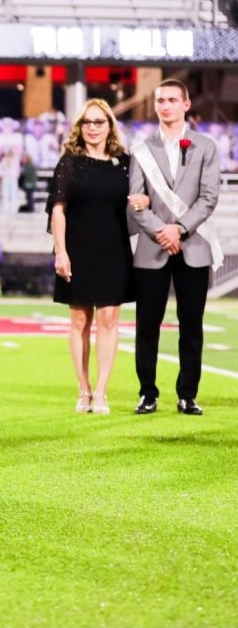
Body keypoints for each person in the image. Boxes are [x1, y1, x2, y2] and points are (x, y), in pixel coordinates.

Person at [129, 79, 222, 416]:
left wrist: (179, 229)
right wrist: (162, 232)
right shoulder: (141, 150)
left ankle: (188, 394)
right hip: (152, 249)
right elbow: (135, 202)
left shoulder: (206, 147)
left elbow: (209, 197)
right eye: (160, 100)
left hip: (193, 246)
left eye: (172, 100)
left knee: (191, 324)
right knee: (147, 324)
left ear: (186, 104)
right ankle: (147, 393)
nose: (165, 106)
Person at [48, 100, 144, 415]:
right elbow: (58, 210)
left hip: (114, 249)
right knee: (79, 319)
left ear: (109, 126)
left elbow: (144, 197)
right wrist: (61, 252)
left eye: (99, 122)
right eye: (87, 122)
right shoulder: (69, 163)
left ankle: (102, 391)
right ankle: (83, 390)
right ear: (80, 127)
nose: (92, 127)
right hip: (77, 249)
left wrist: (144, 200)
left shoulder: (126, 163)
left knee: (108, 319)